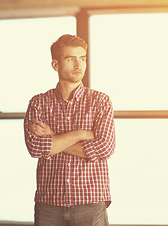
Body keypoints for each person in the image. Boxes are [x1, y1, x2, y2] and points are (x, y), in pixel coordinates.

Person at [24, 34, 116, 226]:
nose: (78, 65)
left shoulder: (100, 101)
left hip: (90, 202)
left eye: (82, 59)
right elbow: (36, 148)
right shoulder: (38, 103)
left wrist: (53, 138)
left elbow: (105, 148)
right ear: (55, 65)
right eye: (71, 59)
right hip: (49, 203)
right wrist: (81, 134)